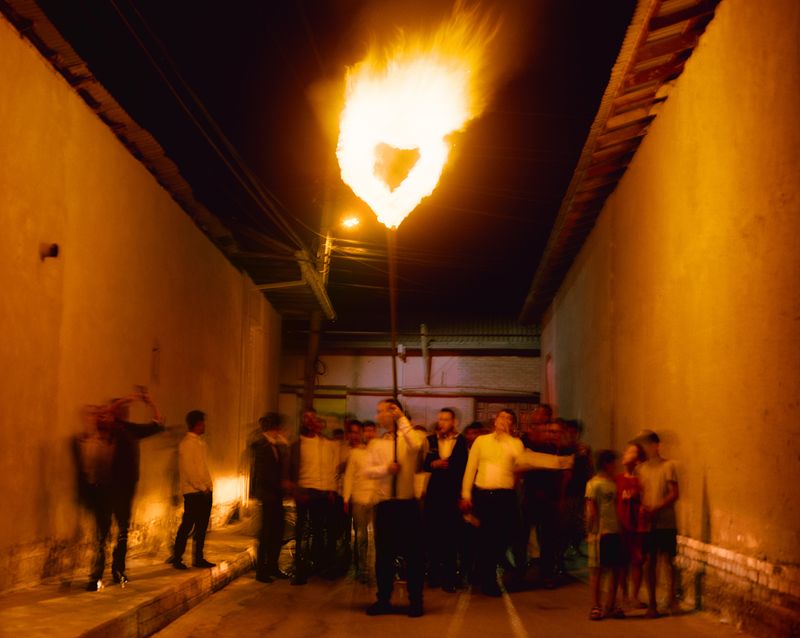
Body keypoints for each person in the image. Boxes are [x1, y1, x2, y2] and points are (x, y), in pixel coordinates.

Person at [77, 392, 165, 590]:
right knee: (102, 535)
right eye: (119, 410)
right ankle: (97, 575)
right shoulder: (108, 429)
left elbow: (157, 425)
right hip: (105, 491)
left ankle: (119, 570)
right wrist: (129, 398)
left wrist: (150, 402)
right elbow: (106, 411)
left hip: (125, 491)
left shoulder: (130, 430)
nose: (121, 412)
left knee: (122, 533)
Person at [365, 399, 426, 618]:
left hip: (406, 504)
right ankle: (383, 599)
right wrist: (385, 469)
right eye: (378, 411)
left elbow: (417, 446)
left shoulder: (410, 438)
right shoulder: (376, 443)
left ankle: (415, 601)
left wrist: (402, 418)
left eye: (382, 411)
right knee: (384, 557)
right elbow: (367, 470)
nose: (378, 415)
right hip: (385, 505)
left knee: (414, 556)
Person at [460, 409, 524, 597]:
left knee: (501, 538)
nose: (504, 420)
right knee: (484, 537)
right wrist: (466, 494)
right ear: (495, 420)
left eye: (509, 419)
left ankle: (485, 572)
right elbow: (471, 468)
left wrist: (507, 438)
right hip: (483, 495)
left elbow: (519, 463)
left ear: (513, 424)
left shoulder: (516, 444)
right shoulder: (481, 441)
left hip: (505, 496)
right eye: (501, 416)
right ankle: (487, 578)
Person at [288, 409, 338, 584]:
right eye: (306, 418)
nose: (310, 421)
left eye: (313, 418)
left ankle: (317, 567)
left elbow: (330, 468)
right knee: (301, 532)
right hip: (304, 491)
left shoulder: (325, 444)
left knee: (318, 532)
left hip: (321, 492)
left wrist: (331, 490)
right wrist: (296, 491)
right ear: (302, 421)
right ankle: (299, 570)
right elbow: (291, 470)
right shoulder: (297, 445)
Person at [635, 429, 680, 617]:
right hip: (648, 523)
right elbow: (638, 493)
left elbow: (674, 493)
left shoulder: (668, 466)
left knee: (668, 561)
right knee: (649, 563)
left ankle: (671, 599)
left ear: (656, 445)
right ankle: (652, 603)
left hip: (666, 521)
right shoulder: (641, 469)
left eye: (646, 444)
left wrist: (656, 507)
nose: (643, 448)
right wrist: (643, 508)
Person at [423, 408, 468, 592]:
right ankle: (434, 574)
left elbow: (464, 467)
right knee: (433, 534)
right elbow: (423, 463)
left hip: (452, 493)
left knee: (451, 536)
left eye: (446, 419)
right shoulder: (430, 440)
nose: (442, 422)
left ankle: (450, 576)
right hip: (434, 493)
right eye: (440, 418)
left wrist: (463, 495)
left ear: (454, 421)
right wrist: (434, 464)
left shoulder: (461, 440)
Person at [169, 410, 215, 570]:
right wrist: (202, 487)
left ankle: (198, 558)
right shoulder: (187, 444)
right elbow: (190, 470)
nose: (204, 426)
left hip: (204, 491)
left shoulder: (199, 443)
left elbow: (202, 468)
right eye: (202, 423)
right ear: (197, 424)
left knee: (202, 527)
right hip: (194, 492)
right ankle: (177, 557)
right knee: (188, 525)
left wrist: (209, 485)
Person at [250, 412, 290, 583]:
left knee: (277, 532)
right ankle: (262, 570)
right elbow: (263, 473)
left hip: (276, 496)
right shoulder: (262, 445)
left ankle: (273, 566)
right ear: (276, 428)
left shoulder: (275, 445)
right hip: (268, 496)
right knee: (266, 533)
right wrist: (280, 485)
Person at [585, 449, 625, 620]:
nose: (616, 466)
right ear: (607, 464)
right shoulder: (594, 484)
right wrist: (590, 530)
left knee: (613, 569)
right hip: (601, 533)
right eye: (614, 462)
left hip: (614, 531)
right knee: (598, 571)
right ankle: (597, 605)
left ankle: (609, 605)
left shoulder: (613, 483)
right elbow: (591, 510)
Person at [342, 420, 377, 583]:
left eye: (372, 431)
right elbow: (349, 476)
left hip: (377, 499)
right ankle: (361, 569)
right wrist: (346, 498)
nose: (369, 434)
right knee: (361, 536)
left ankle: (375, 569)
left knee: (378, 537)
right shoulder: (356, 453)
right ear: (363, 433)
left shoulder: (381, 452)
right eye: (367, 431)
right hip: (359, 498)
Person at [615, 441, 647, 609]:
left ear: (638, 460)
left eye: (631, 452)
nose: (626, 454)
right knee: (622, 562)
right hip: (621, 524)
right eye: (626, 451)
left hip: (636, 525)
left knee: (637, 561)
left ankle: (634, 595)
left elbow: (645, 501)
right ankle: (624, 595)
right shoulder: (617, 480)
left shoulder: (640, 482)